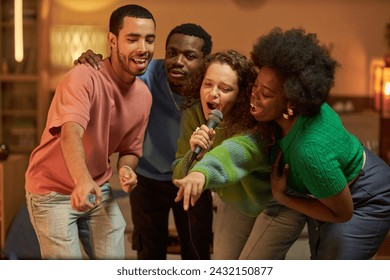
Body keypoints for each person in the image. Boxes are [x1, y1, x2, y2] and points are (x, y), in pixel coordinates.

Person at [24, 4, 156, 260]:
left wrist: (127, 168)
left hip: (97, 188)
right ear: (112, 40)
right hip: (51, 192)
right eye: (132, 39)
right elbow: (70, 133)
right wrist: (82, 180)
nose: (143, 48)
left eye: (149, 39)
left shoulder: (144, 96)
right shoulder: (83, 77)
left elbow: (130, 149)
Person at [75, 23, 214, 259]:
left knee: (197, 252)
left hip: (193, 176)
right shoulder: (147, 74)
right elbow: (112, 74)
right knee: (149, 255)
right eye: (172, 52)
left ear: (205, 60)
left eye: (189, 56)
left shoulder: (210, 85)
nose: (177, 61)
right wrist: (90, 64)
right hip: (148, 179)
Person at [249, 27, 390, 259]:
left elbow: (343, 213)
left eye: (266, 93)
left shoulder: (309, 151)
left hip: (367, 197)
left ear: (290, 104)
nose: (254, 95)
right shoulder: (298, 111)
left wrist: (283, 197)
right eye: (256, 84)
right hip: (341, 177)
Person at [172, 50, 306, 259]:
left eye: (224, 88)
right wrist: (196, 156)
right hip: (237, 201)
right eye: (207, 84)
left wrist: (202, 171)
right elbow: (179, 174)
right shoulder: (195, 113)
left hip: (279, 200)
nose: (213, 93)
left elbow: (237, 151)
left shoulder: (256, 120)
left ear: (241, 94)